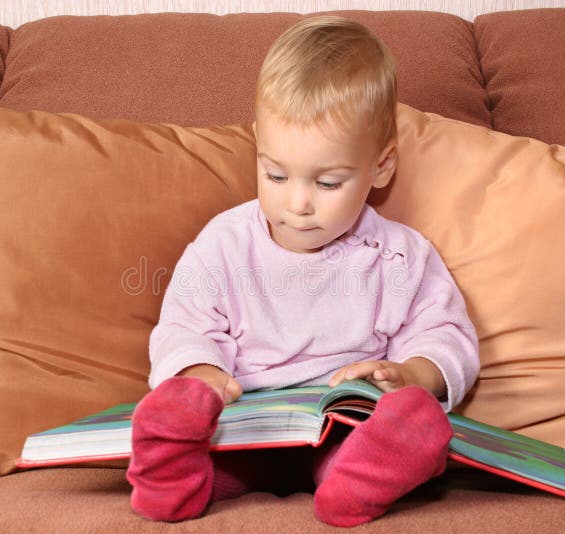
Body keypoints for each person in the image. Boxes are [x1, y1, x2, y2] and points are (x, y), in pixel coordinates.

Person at [126, 15, 479, 527]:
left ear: (381, 167)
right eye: (275, 173)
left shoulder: (400, 256)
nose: (297, 203)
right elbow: (184, 325)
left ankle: (362, 480)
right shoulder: (223, 245)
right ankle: (173, 476)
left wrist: (411, 375)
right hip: (242, 428)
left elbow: (444, 332)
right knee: (215, 461)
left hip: (343, 430)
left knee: (361, 445)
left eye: (328, 183)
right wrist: (200, 378)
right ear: (257, 146)